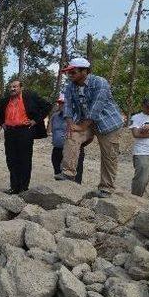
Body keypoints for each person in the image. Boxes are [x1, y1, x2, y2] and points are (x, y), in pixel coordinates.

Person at [57, 58, 124, 198]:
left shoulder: (100, 82)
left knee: (108, 155)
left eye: (72, 71)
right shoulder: (70, 86)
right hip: (85, 122)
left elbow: (96, 108)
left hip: (108, 123)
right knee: (71, 135)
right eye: (68, 71)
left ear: (85, 71)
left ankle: (106, 187)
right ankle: (68, 173)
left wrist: (81, 127)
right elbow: (68, 106)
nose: (69, 74)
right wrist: (70, 124)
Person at [0, 79, 52, 194]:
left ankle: (23, 188)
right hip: (10, 133)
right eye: (11, 87)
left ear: (21, 88)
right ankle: (14, 187)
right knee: (11, 159)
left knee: (24, 160)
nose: (12, 89)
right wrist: (2, 123)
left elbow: (47, 106)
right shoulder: (6, 100)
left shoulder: (30, 96)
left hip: (25, 131)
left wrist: (35, 121)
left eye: (15, 86)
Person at [49, 95, 85, 183]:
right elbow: (52, 131)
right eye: (60, 103)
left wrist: (79, 146)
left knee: (74, 179)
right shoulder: (55, 116)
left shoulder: (78, 117)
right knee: (58, 176)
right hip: (57, 150)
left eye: (64, 103)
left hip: (73, 151)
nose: (61, 105)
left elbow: (86, 135)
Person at [129, 96, 149, 196]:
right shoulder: (136, 118)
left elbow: (142, 133)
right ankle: (135, 200)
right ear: (143, 106)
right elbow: (136, 134)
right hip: (143, 152)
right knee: (141, 180)